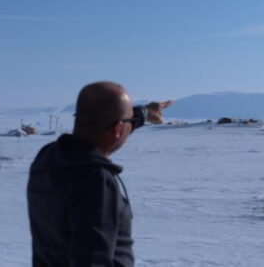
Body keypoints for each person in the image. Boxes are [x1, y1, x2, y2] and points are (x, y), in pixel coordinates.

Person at [27, 81, 172, 267]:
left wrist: (144, 113)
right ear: (118, 129)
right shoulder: (95, 182)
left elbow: (107, 124)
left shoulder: (48, 157)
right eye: (128, 123)